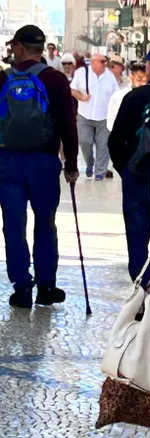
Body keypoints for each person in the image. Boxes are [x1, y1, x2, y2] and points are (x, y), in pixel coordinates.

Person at [0, 24, 78, 308]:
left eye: (13, 47)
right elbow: (68, 125)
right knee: (45, 224)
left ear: (20, 47)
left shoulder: (2, 78)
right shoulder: (55, 79)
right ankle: (46, 287)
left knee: (13, 226)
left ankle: (21, 288)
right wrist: (71, 163)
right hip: (44, 163)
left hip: (7, 163)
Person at [108, 47, 150, 282]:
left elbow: (115, 141)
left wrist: (126, 171)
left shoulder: (133, 98)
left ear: (148, 68)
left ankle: (144, 294)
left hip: (138, 179)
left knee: (137, 245)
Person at [71, 52, 118, 180]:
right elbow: (73, 89)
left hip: (104, 116)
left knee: (103, 145)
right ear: (93, 62)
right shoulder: (81, 73)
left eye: (105, 61)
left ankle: (100, 172)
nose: (105, 64)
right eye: (102, 61)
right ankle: (90, 163)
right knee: (85, 142)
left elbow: (116, 96)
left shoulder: (110, 76)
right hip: (85, 114)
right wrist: (82, 97)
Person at [107, 60, 147, 132]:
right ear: (131, 77)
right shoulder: (119, 96)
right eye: (139, 80)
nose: (142, 84)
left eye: (145, 81)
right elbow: (111, 119)